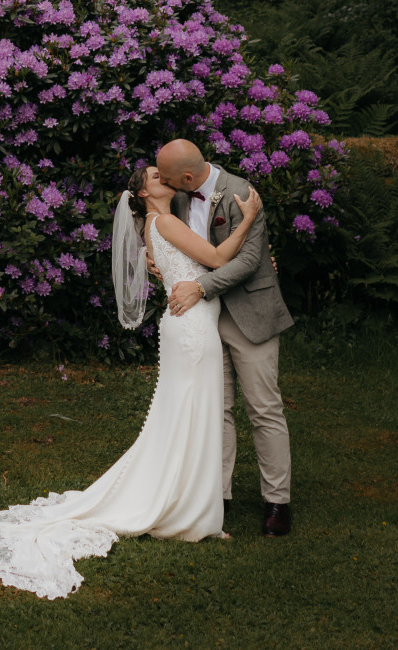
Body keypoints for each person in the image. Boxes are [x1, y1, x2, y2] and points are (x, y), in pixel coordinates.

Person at [0, 162, 260, 600]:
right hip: (191, 331)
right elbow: (216, 259)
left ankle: (192, 508)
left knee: (189, 417)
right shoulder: (165, 221)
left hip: (190, 325)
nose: (165, 179)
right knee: (192, 415)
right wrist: (248, 221)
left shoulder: (161, 223)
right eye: (155, 177)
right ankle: (191, 515)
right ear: (145, 194)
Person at [148, 139, 297, 537]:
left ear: (188, 177)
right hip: (203, 322)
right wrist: (157, 259)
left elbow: (250, 261)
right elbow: (181, 246)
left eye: (166, 176)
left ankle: (277, 502)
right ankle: (218, 494)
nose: (160, 181)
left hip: (249, 313)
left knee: (264, 408)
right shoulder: (176, 200)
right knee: (217, 408)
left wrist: (199, 287)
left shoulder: (241, 193)